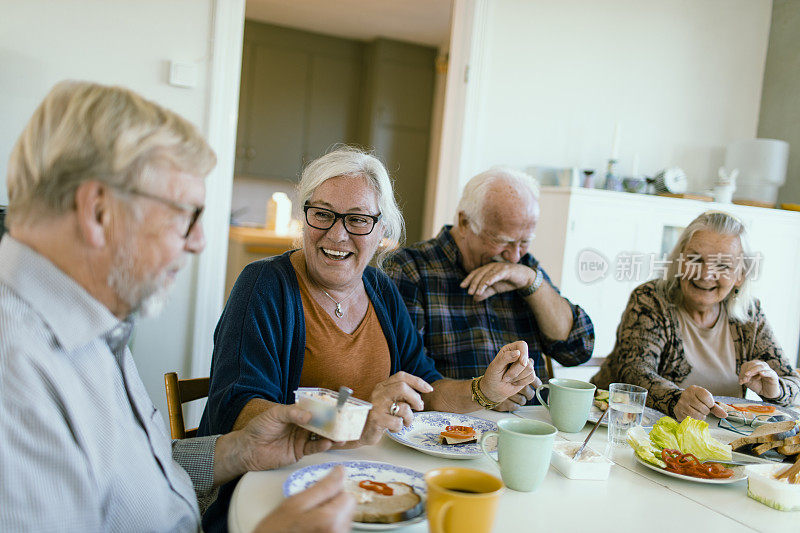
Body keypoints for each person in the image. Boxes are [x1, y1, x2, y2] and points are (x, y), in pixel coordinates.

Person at [0, 80, 354, 532]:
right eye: (187, 215)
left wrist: (239, 450)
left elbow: (129, 477)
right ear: (98, 212)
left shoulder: (89, 323)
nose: (200, 241)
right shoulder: (14, 375)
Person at [198, 147, 538, 530]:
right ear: (305, 217)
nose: (337, 233)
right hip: (276, 494)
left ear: (381, 233)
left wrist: (483, 390)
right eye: (322, 214)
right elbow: (239, 409)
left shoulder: (380, 289)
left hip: (370, 489)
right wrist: (354, 417)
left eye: (357, 220)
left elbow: (424, 388)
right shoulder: (264, 285)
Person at [384, 167, 594, 410]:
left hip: (531, 424)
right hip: (451, 429)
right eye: (502, 241)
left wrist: (530, 281)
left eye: (525, 242)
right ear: (464, 222)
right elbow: (408, 379)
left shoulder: (524, 266)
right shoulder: (410, 269)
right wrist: (484, 394)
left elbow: (578, 349)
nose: (515, 256)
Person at [591, 211, 800, 421]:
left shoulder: (749, 315)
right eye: (695, 259)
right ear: (680, 260)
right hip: (617, 427)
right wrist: (675, 399)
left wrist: (775, 390)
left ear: (740, 275)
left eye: (722, 265)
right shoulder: (650, 299)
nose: (705, 274)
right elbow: (634, 371)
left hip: (718, 441)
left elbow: (793, 382)